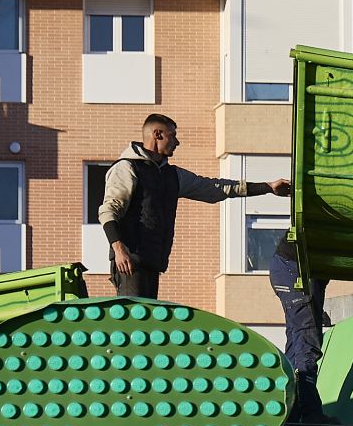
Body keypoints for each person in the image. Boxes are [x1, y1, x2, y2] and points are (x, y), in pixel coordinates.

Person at [97, 113, 289, 299]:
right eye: (173, 136)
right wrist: (119, 250)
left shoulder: (171, 175)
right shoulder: (127, 168)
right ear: (157, 134)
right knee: (134, 323)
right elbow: (108, 212)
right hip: (129, 262)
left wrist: (268, 187)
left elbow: (215, 188)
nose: (177, 142)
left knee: (146, 324)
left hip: (152, 262)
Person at [268, 235, 328, 423]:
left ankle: (292, 412)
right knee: (307, 343)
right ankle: (311, 414)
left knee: (296, 342)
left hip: (285, 268)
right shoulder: (343, 223)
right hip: (295, 270)